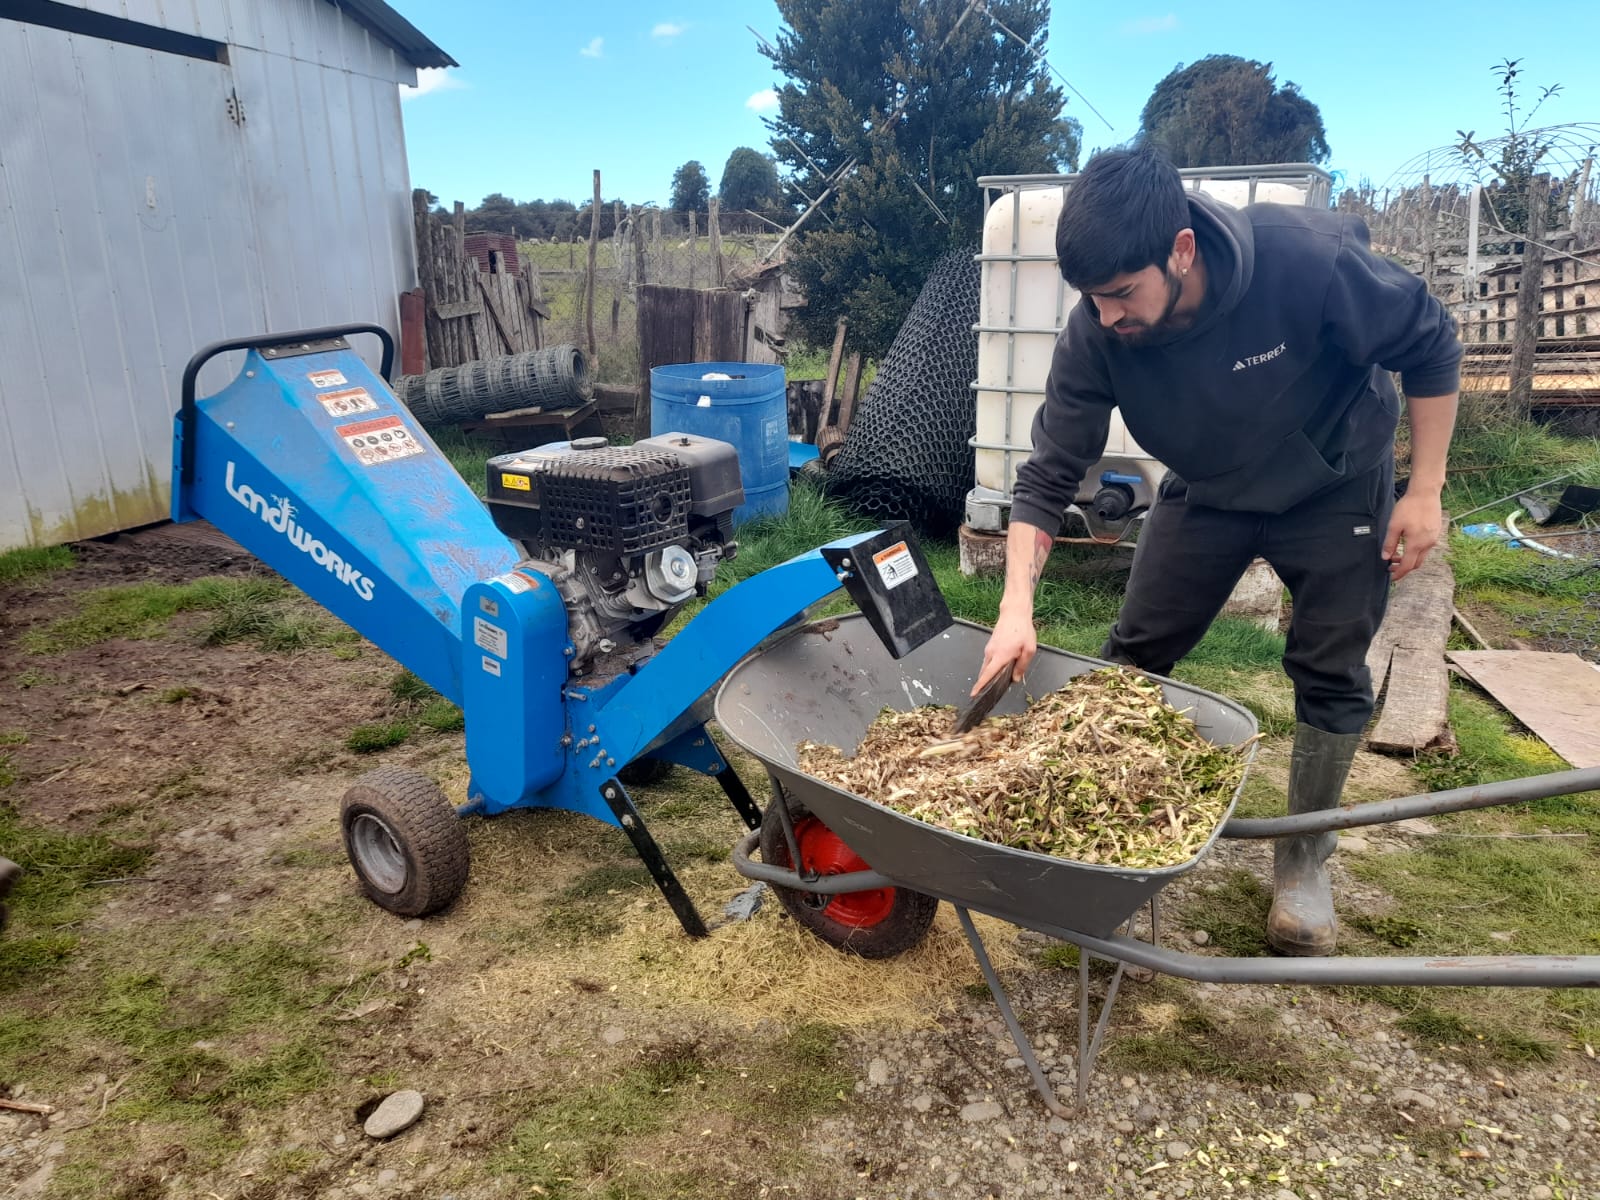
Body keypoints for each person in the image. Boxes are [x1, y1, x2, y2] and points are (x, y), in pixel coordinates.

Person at [975, 147, 1461, 957]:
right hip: (1207, 490)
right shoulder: (1098, 331)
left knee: (1331, 666)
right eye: (1092, 299)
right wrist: (1014, 609)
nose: (1106, 317)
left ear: (1183, 249)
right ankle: (1106, 817)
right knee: (1134, 652)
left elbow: (1431, 344)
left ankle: (1304, 858)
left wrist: (1425, 491)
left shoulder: (1308, 262)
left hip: (1333, 484)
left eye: (1123, 294)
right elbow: (1047, 475)